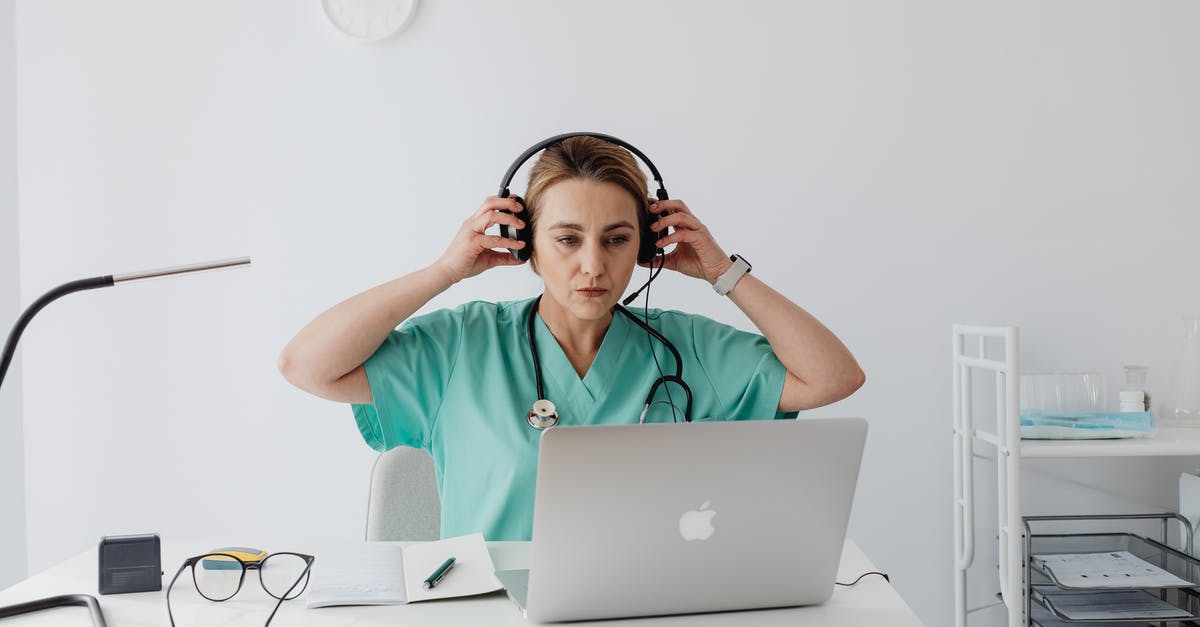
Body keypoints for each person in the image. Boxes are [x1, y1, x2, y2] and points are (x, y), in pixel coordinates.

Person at [278, 136, 865, 541]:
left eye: (616, 240)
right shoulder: (462, 345)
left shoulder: (686, 349)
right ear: (524, 242)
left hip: (646, 607)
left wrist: (721, 271)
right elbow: (307, 365)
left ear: (648, 245)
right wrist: (445, 271)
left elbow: (834, 378)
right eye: (566, 239)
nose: (593, 266)